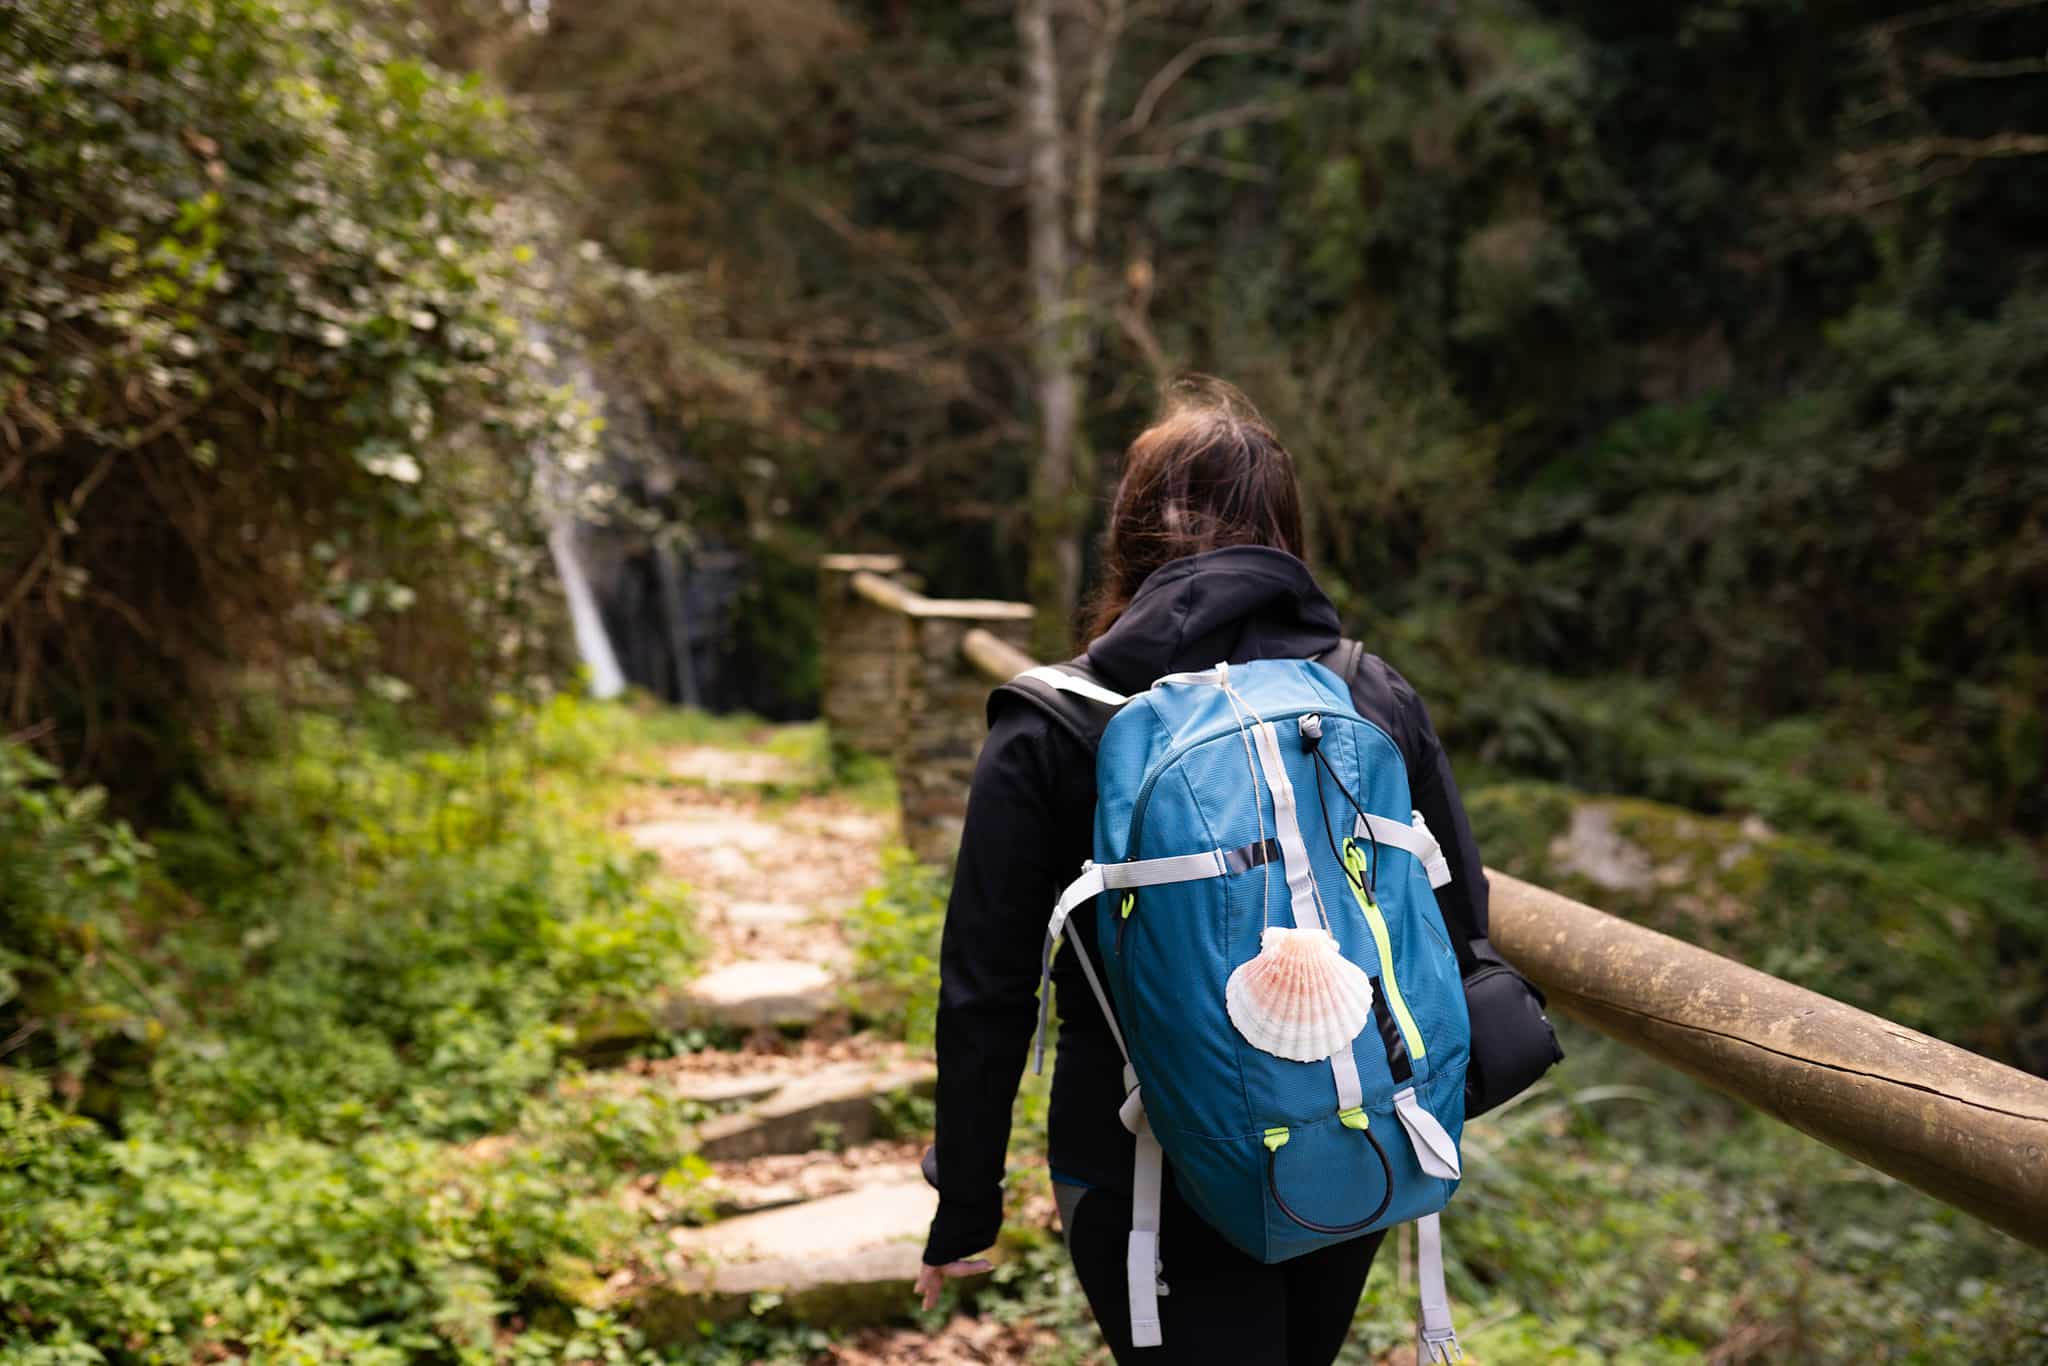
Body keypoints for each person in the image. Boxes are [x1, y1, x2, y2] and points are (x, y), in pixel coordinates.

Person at [913, 378, 1493, 1364]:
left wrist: (965, 1198)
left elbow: (986, 985)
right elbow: (1457, 924)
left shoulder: (1051, 721)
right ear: (1284, 536)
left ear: (1127, 539)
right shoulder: (1365, 691)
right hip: (1346, 1135)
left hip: (1136, 1163)